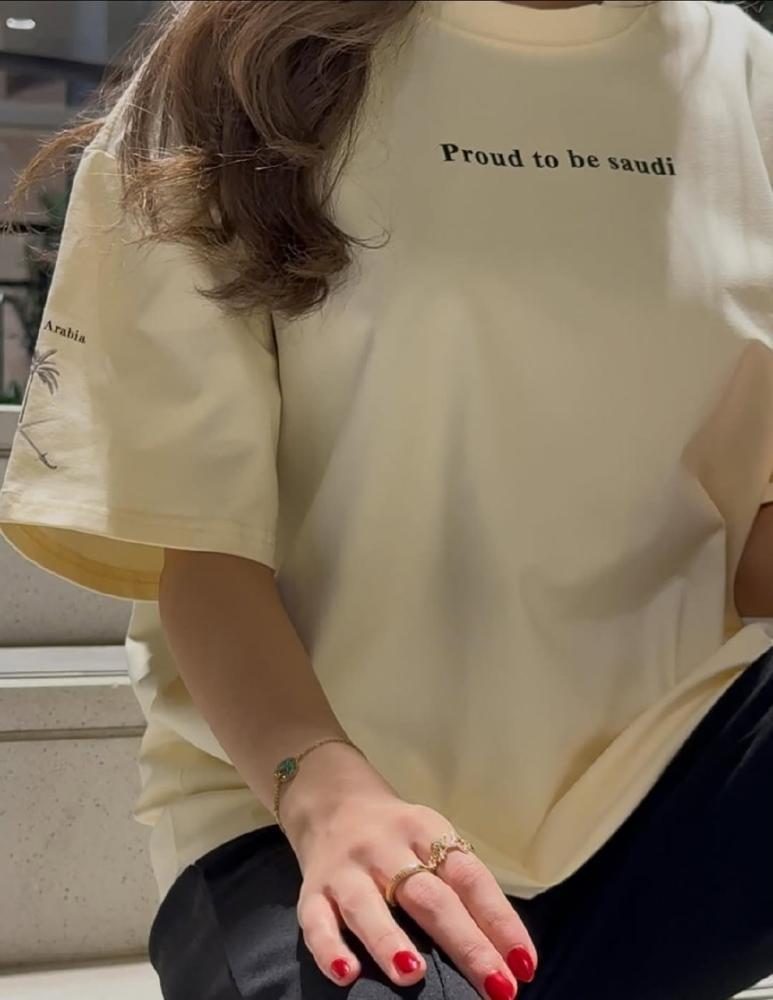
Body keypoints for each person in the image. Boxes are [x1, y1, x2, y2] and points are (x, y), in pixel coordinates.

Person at [2, 0, 773, 996]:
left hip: (676, 791)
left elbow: (740, 544)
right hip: (304, 806)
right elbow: (204, 548)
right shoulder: (238, 59)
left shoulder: (748, 79)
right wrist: (323, 791)